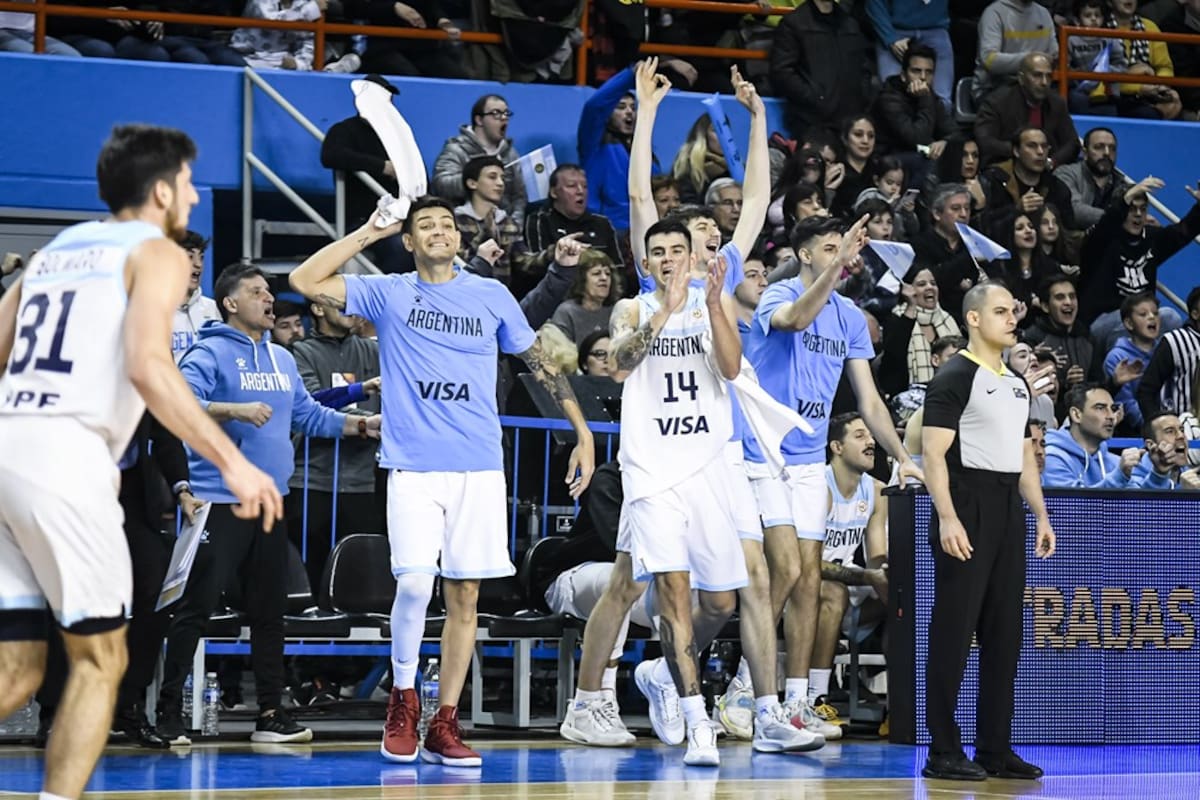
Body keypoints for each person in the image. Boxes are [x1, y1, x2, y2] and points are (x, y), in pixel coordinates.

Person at [0, 124, 281, 800]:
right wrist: (231, 462)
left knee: (16, 672)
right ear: (161, 190)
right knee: (102, 660)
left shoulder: (56, 251)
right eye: (186, 181)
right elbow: (150, 366)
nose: (190, 192)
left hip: (8, 446)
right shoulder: (155, 251)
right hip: (68, 455)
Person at [288, 195, 596, 767]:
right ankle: (403, 701)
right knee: (411, 584)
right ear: (409, 242)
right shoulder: (391, 291)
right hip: (412, 465)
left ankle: (444, 723)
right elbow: (305, 278)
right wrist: (368, 231)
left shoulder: (491, 294)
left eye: (447, 224)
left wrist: (582, 430)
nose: (438, 231)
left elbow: (540, 364)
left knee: (466, 596)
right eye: (424, 225)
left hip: (479, 465)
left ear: (459, 237)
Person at [158, 264, 381, 747]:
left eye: (269, 291)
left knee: (268, 613)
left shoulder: (280, 359)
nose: (269, 299)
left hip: (271, 504)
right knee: (194, 610)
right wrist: (231, 409)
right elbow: (176, 403)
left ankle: (271, 714)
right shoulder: (210, 352)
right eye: (256, 292)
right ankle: (168, 712)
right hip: (218, 502)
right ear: (230, 304)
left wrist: (363, 426)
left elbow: (308, 415)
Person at [743, 214, 922, 742]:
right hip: (761, 451)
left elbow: (867, 399)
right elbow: (798, 320)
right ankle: (748, 692)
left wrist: (898, 457)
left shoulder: (847, 316)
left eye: (844, 249)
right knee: (788, 566)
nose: (842, 256)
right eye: (829, 248)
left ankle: (797, 699)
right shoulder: (777, 297)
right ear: (805, 254)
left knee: (809, 576)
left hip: (805, 459)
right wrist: (840, 261)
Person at [607, 219, 747, 767]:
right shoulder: (633, 310)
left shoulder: (715, 304)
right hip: (652, 472)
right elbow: (619, 365)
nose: (667, 258)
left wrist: (712, 306)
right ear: (646, 263)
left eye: (676, 250)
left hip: (706, 467)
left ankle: (662, 675)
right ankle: (698, 724)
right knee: (673, 591)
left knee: (720, 602)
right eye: (657, 252)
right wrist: (663, 308)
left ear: (693, 257)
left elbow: (732, 369)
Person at [921, 281, 1055, 781]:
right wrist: (948, 516)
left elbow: (1024, 457)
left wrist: (1039, 515)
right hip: (968, 500)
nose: (1011, 318)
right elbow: (932, 454)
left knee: (1005, 635)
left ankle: (995, 748)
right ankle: (943, 750)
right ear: (974, 319)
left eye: (1012, 311)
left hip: (1006, 507)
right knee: (955, 631)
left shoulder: (1017, 383)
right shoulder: (955, 375)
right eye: (1000, 311)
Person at [287, 298, 384, 592]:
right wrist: (366, 422)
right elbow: (310, 405)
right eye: (342, 304)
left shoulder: (375, 350)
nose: (352, 310)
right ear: (318, 309)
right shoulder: (299, 352)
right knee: (309, 575)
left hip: (362, 479)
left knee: (356, 577)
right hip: (310, 478)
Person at [812, 414, 889, 714]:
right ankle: (815, 698)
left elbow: (877, 556)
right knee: (834, 592)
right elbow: (808, 564)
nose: (870, 442)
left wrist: (884, 574)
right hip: (803, 586)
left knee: (903, 589)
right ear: (837, 447)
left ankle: (903, 702)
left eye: (870, 436)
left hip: (849, 582)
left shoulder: (876, 491)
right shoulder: (819, 487)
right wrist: (870, 577)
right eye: (859, 436)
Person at [1077, 176, 1197, 347]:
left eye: (1143, 209)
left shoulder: (1151, 238)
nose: (1138, 214)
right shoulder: (1102, 240)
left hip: (1140, 317)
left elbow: (1182, 233)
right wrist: (1125, 199)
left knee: (1171, 317)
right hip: (1102, 323)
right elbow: (1107, 223)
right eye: (1132, 208)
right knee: (1129, 324)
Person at [770, 0, 873, 137]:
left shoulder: (850, 23)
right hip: (811, 122)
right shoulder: (794, 23)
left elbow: (864, 66)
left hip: (849, 121)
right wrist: (815, 98)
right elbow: (782, 71)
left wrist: (861, 95)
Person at [975, 53, 1080, 171]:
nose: (1044, 82)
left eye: (1049, 76)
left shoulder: (1057, 103)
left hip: (1047, 171)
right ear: (1021, 78)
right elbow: (984, 141)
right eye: (1037, 75)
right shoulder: (997, 102)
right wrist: (1023, 153)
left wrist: (1052, 162)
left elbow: (1072, 143)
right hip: (1006, 168)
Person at [431, 94, 526, 224]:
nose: (504, 118)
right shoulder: (457, 149)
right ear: (479, 120)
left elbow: (519, 197)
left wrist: (514, 226)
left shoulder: (510, 153)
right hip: (463, 225)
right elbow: (441, 185)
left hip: (503, 227)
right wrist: (478, 177)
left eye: (506, 113)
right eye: (496, 113)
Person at [879, 268, 962, 403]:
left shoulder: (949, 320)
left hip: (951, 396)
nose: (930, 287)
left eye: (933, 283)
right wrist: (911, 307)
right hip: (906, 401)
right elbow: (893, 359)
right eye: (922, 284)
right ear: (908, 290)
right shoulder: (897, 320)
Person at [1042, 383, 1141, 488]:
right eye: (1100, 408)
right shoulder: (1051, 458)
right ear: (1076, 415)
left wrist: (1157, 474)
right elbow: (1073, 502)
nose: (1111, 416)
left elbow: (1138, 501)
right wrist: (1119, 476)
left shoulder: (1115, 462)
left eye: (1112, 408)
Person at [865, 0, 954, 108]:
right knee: (892, 98)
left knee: (943, 100)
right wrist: (890, 38)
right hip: (895, 31)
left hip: (936, 30)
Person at [973, 0, 1059, 98]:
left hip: (1037, 88)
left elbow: (1053, 54)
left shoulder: (1044, 14)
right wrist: (1031, 60)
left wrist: (1059, 58)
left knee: (1060, 104)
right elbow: (989, 60)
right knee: (1019, 103)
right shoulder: (994, 13)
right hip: (994, 87)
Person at [1137, 285, 1200, 421]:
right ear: (1195, 314)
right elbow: (1146, 390)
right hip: (1183, 432)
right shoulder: (1174, 341)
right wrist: (1158, 426)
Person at [1104, 292, 1159, 434]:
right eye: (1143, 314)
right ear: (1128, 323)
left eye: (1155, 313)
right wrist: (1155, 429)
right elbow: (1126, 404)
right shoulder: (1117, 357)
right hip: (1135, 434)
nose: (1152, 317)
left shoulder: (1165, 351)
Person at [1053, 128, 1128, 230]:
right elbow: (1074, 211)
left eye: (1112, 148)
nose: (1107, 153)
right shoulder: (1066, 173)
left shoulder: (1121, 183)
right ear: (1085, 153)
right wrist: (1118, 218)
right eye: (1099, 147)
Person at [549, 251, 621, 346]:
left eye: (608, 274)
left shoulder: (617, 310)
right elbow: (560, 354)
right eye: (596, 273)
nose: (604, 278)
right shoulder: (566, 312)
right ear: (581, 279)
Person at [172, 231, 219, 359]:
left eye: (201, 257)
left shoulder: (211, 308)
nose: (198, 264)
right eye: (190, 257)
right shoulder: (152, 310)